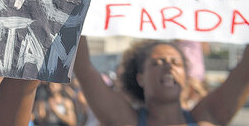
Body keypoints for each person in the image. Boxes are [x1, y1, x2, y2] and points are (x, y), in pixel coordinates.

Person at [74, 36, 249, 126]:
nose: (168, 66)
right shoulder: (125, 121)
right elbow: (83, 67)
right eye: (158, 62)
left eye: (176, 62)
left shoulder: (208, 117)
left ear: (186, 77)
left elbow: (245, 71)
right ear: (140, 78)